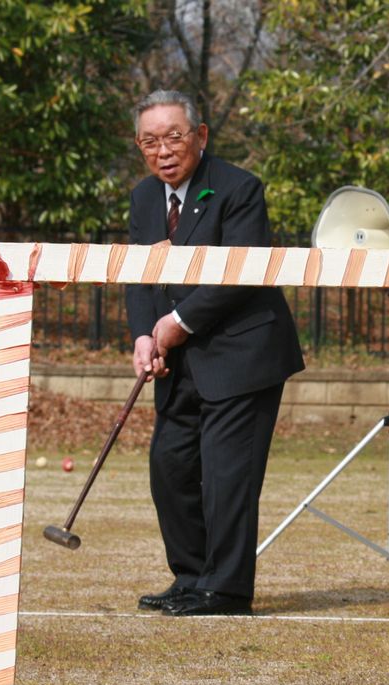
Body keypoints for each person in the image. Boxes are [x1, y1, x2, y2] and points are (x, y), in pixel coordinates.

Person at [126, 90, 304, 616]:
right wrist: (143, 335)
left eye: (174, 136)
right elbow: (141, 276)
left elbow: (242, 274)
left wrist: (177, 324)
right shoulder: (142, 198)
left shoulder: (239, 188)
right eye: (150, 141)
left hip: (241, 352)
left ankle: (225, 589)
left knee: (228, 475)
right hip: (176, 359)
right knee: (170, 465)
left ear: (200, 136)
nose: (164, 151)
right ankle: (191, 575)